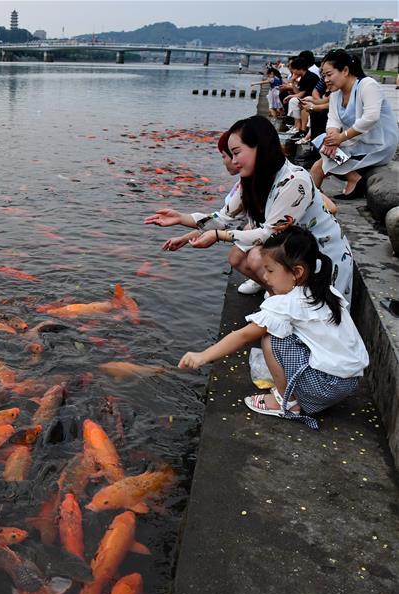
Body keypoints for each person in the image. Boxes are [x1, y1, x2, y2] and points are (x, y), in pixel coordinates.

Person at [179, 227, 368, 429]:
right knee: (283, 330)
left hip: (324, 386)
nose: (265, 277)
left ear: (297, 272)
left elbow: (243, 336)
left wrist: (203, 356)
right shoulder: (325, 290)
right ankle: (299, 391)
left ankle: (287, 403)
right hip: (349, 383)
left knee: (270, 338)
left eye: (270, 271)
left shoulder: (287, 303)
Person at [144, 118, 349, 298]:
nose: (233, 161)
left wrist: (218, 236)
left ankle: (288, 300)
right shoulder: (252, 180)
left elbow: (270, 234)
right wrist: (181, 218)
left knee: (255, 256)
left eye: (236, 153)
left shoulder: (295, 181)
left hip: (322, 257)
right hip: (293, 251)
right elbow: (223, 218)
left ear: (260, 147)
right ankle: (280, 297)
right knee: (244, 255)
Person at [310, 49, 399, 199]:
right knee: (321, 153)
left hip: (379, 144)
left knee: (319, 165)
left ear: (345, 70)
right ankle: (320, 196)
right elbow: (333, 120)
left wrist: (341, 137)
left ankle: (318, 197)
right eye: (324, 76)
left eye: (329, 74)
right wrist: (332, 139)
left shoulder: (367, 85)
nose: (326, 80)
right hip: (357, 142)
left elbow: (371, 117)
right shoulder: (336, 94)